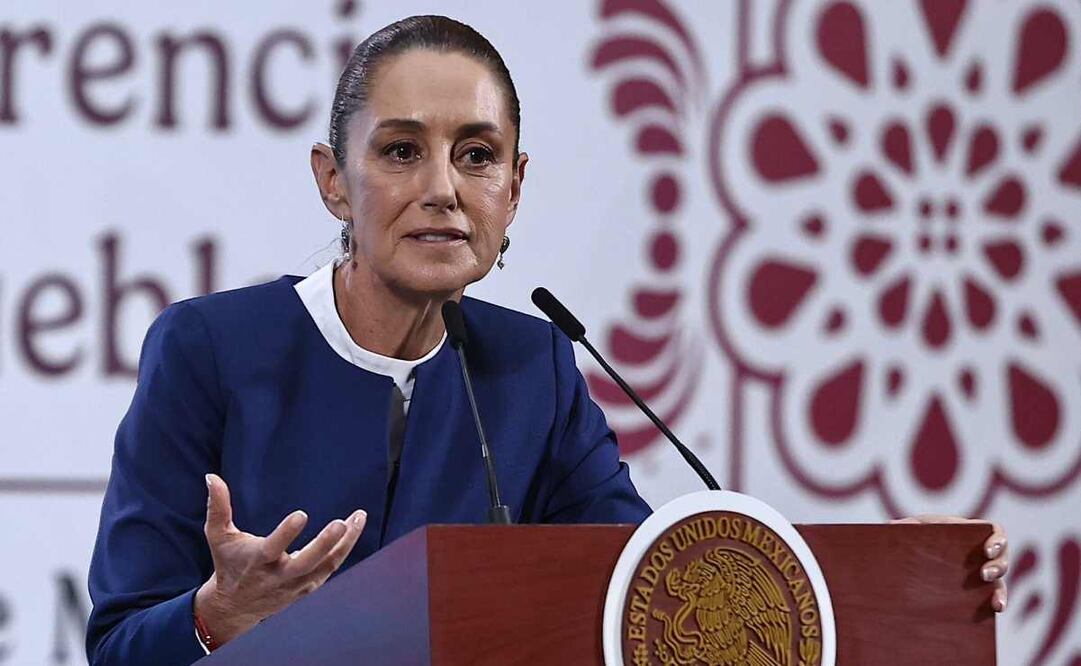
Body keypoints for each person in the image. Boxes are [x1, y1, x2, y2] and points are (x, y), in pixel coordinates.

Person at [84, 15, 1009, 666]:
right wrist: (214, 618)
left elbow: (654, 598)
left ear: (514, 188)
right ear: (333, 181)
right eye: (401, 151)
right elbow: (119, 646)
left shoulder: (532, 368)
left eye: (477, 155)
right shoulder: (208, 349)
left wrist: (880, 577)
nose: (443, 187)